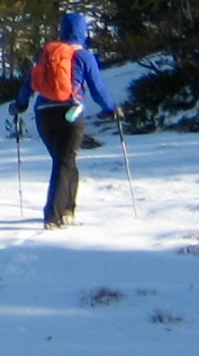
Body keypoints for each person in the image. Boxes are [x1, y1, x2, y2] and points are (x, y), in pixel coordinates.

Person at [10, 11, 120, 228]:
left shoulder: (45, 54)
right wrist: (112, 109)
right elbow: (97, 90)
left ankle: (68, 209)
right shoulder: (83, 56)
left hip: (43, 113)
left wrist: (19, 105)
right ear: (83, 32)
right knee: (65, 161)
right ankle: (53, 214)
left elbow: (28, 84)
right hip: (71, 112)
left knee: (65, 161)